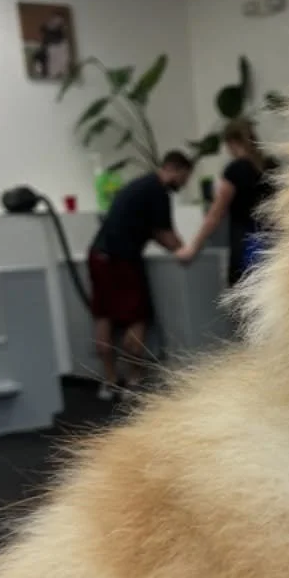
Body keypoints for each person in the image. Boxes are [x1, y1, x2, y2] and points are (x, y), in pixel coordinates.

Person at [86, 150, 192, 399]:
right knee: (138, 317)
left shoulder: (138, 186)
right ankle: (135, 382)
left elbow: (153, 231)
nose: (184, 184)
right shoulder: (158, 192)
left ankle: (110, 382)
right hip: (122, 260)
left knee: (104, 316)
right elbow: (165, 234)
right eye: (185, 178)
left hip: (98, 256)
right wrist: (186, 251)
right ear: (175, 170)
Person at [177, 119, 275, 283]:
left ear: (231, 142)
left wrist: (193, 247)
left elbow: (215, 213)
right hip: (270, 245)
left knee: (244, 300)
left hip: (245, 246)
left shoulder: (235, 170)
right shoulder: (270, 166)